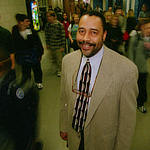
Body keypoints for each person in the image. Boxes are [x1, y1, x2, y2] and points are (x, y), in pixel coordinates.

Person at [59, 10, 138, 150]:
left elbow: (127, 122)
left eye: (94, 32)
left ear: (104, 35)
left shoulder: (126, 70)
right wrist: (64, 126)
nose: (86, 39)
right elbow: (65, 98)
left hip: (102, 142)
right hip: (74, 137)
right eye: (82, 31)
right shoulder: (67, 61)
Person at [128, 18, 150, 113]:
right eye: (149, 27)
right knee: (132, 87)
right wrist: (131, 67)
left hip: (144, 68)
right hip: (133, 67)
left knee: (142, 86)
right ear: (143, 27)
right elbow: (130, 51)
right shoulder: (136, 37)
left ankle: (140, 103)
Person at [12, 14, 44, 88]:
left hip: (33, 54)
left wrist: (40, 53)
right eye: (26, 21)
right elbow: (15, 44)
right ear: (21, 22)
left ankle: (38, 81)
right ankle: (27, 83)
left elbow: (38, 43)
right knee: (26, 70)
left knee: (37, 69)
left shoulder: (32, 31)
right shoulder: (16, 32)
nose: (29, 23)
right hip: (23, 55)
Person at [45, 11, 66, 77]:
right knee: (53, 59)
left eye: (49, 16)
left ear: (54, 17)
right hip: (51, 45)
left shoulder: (59, 25)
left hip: (58, 45)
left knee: (59, 60)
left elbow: (63, 36)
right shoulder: (48, 25)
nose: (48, 18)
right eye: (47, 16)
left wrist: (62, 46)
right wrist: (47, 44)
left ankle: (59, 70)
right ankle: (56, 68)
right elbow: (47, 35)